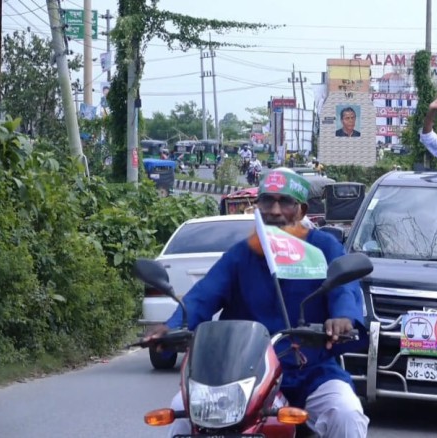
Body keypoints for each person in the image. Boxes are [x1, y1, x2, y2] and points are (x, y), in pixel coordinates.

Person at [143, 169, 369, 438]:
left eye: (285, 202)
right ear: (257, 206)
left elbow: (344, 288)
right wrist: (172, 328)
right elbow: (203, 296)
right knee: (183, 411)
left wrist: (343, 317)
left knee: (346, 414)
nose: (275, 210)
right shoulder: (242, 253)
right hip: (242, 376)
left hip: (311, 371)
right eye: (267, 201)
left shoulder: (324, 248)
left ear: (301, 209)